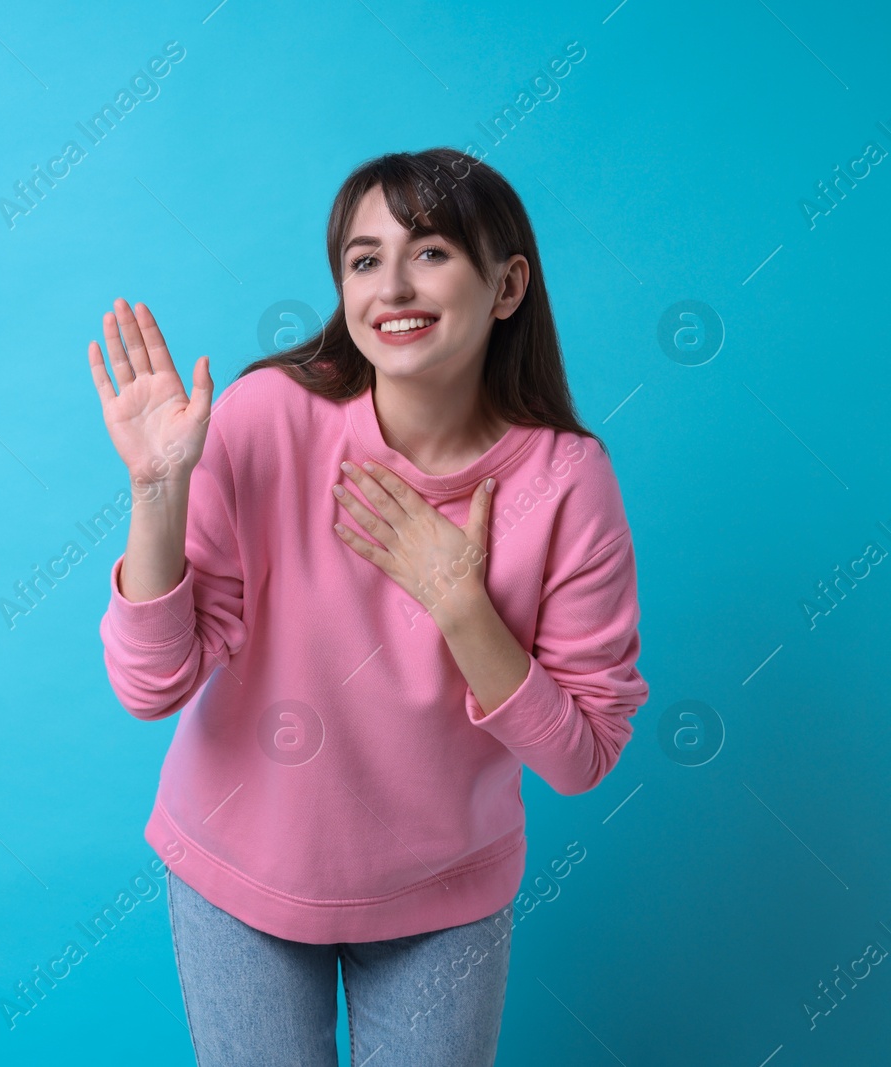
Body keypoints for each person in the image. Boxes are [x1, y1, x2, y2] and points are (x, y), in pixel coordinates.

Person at [86, 147, 649, 1066]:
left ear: (507, 287)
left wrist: (457, 603)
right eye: (363, 258)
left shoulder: (566, 482)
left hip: (443, 895)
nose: (392, 284)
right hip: (241, 872)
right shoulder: (268, 419)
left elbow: (582, 755)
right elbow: (150, 686)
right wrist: (157, 491)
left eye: (430, 252)